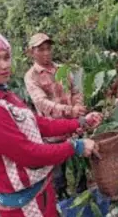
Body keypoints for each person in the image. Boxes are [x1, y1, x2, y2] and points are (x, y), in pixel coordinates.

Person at [0, 29, 103, 217]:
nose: (4, 65)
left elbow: (37, 123)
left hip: (39, 193)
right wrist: (75, 147)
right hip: (24, 206)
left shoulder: (4, 95)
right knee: (60, 177)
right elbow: (28, 154)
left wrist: (79, 122)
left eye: (6, 57)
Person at [24, 33, 87, 198]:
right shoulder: (31, 77)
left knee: (80, 165)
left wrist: (78, 106)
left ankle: (84, 194)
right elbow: (42, 103)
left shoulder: (61, 69)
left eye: (48, 49)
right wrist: (68, 110)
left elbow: (75, 91)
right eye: (41, 50)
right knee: (58, 173)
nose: (46, 53)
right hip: (53, 134)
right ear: (31, 52)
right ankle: (62, 197)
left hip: (73, 127)